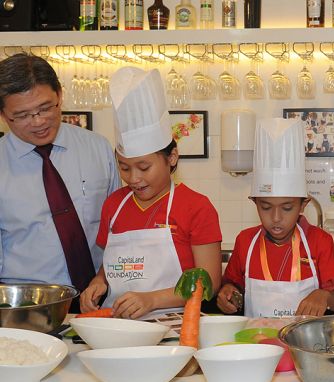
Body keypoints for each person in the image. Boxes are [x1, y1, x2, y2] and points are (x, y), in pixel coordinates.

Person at [79, 67, 221, 319]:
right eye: (124, 167)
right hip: (118, 324)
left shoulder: (196, 207)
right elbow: (112, 265)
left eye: (144, 167)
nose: (133, 178)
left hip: (175, 325)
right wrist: (99, 281)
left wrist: (152, 300)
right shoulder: (114, 204)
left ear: (172, 157)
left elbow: (209, 282)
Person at [0, 54, 119, 306]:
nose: (38, 121)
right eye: (22, 115)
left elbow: (119, 227)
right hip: (25, 306)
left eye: (45, 107)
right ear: (3, 115)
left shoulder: (97, 149)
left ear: (60, 95)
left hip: (99, 299)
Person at [217, 118, 334, 318]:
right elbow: (232, 285)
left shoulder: (319, 241)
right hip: (256, 344)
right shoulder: (245, 241)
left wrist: (325, 296)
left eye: (287, 208)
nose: (276, 218)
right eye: (265, 207)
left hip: (304, 345)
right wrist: (227, 293)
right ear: (255, 203)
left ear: (302, 206)